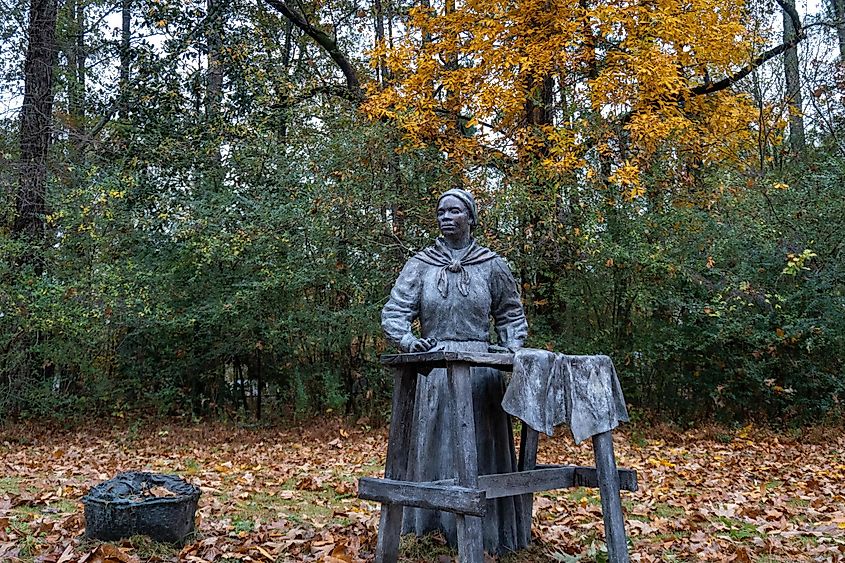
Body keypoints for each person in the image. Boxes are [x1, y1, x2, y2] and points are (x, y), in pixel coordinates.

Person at [381, 188, 529, 554]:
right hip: (435, 370)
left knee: (481, 447)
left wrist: (512, 350)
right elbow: (395, 311)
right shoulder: (421, 264)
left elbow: (511, 314)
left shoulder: (492, 264)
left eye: (455, 211)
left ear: (471, 218)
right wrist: (407, 340)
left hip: (480, 371)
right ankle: (428, 526)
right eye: (441, 211)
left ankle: (490, 531)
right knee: (434, 444)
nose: (446, 217)